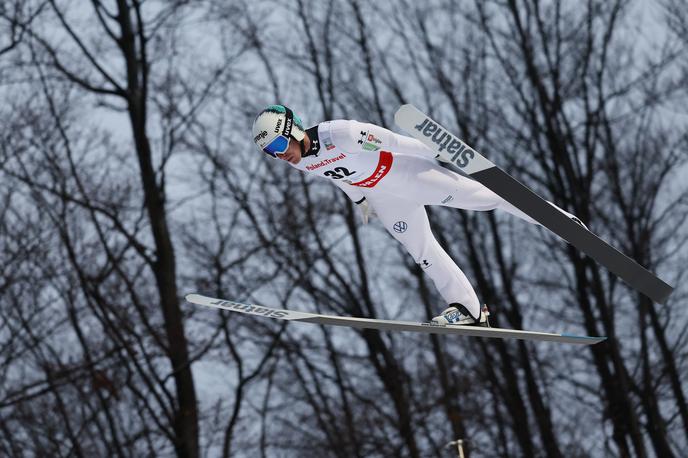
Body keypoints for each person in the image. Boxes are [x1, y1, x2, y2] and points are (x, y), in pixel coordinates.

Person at [251, 105, 584, 327]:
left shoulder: (341, 135)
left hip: (406, 175)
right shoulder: (304, 162)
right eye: (272, 154)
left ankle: (558, 220)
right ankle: (467, 308)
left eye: (280, 146)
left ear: (293, 130)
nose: (281, 156)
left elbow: (395, 141)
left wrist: (439, 151)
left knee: (488, 198)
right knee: (422, 251)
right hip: (383, 196)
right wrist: (361, 202)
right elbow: (339, 178)